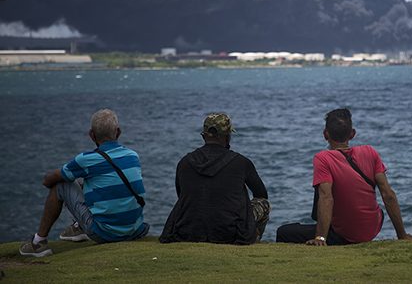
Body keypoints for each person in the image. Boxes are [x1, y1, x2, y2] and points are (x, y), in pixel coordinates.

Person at [276, 108, 412, 246]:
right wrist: (402, 235)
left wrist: (320, 238)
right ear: (352, 134)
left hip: (344, 234)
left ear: (325, 134)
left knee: (284, 232)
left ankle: (324, 235)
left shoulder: (323, 158)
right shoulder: (370, 152)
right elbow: (388, 195)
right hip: (371, 229)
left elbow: (326, 197)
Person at [19, 109, 149, 257]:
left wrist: (51, 182)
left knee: (62, 184)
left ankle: (38, 243)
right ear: (118, 132)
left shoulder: (86, 160)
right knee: (93, 183)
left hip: (106, 233)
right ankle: (79, 228)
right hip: (136, 230)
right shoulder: (133, 156)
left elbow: (49, 179)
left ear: (91, 135)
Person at [159, 113, 270, 245]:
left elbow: (181, 194)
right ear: (228, 137)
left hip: (188, 230)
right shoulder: (241, 162)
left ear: (203, 135)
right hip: (231, 233)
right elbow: (261, 194)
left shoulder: (185, 162)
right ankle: (253, 239)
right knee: (263, 203)